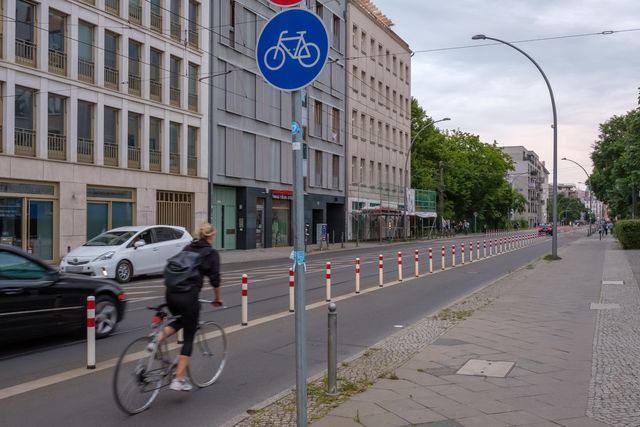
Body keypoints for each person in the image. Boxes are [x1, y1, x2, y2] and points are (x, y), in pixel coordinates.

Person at [153, 223, 222, 391]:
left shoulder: (187, 247)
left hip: (170, 293)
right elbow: (215, 280)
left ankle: (157, 338)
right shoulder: (211, 253)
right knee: (189, 336)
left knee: (181, 321)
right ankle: (179, 379)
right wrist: (217, 298)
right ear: (211, 236)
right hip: (188, 296)